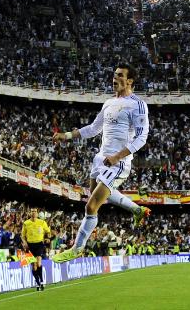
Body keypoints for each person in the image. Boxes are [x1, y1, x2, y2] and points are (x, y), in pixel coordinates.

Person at [52, 64, 152, 263]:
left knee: (91, 206)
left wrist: (117, 157)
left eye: (120, 75)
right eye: (114, 75)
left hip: (118, 162)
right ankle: (137, 210)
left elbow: (142, 138)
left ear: (130, 80)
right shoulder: (108, 103)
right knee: (95, 202)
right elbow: (93, 128)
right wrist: (67, 135)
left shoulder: (137, 104)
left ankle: (77, 248)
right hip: (100, 160)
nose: (115, 78)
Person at [21, 208, 51, 291]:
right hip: (30, 246)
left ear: (37, 213)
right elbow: (22, 236)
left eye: (35, 211)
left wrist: (48, 238)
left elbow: (48, 231)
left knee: (38, 263)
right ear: (30, 213)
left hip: (39, 244)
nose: (33, 213)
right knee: (34, 267)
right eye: (32, 211)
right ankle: (37, 282)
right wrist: (25, 243)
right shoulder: (26, 223)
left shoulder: (42, 222)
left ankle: (41, 281)